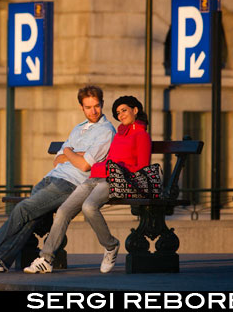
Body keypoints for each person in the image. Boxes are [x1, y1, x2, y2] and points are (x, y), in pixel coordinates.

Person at [0, 85, 116, 273]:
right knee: (30, 216)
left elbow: (84, 165)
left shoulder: (106, 131)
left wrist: (69, 152)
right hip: (51, 178)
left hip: (70, 184)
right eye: (88, 107)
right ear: (81, 107)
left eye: (96, 106)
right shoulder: (78, 128)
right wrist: (73, 153)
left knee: (23, 208)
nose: (93, 111)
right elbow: (57, 160)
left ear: (102, 104)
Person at [24, 95, 151, 274]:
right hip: (97, 176)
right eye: (118, 112)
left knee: (89, 207)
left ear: (135, 110)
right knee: (63, 211)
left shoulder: (142, 135)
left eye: (124, 110)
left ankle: (111, 245)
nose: (121, 115)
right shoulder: (118, 134)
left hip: (117, 180)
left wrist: (118, 169)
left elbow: (142, 169)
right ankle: (46, 259)